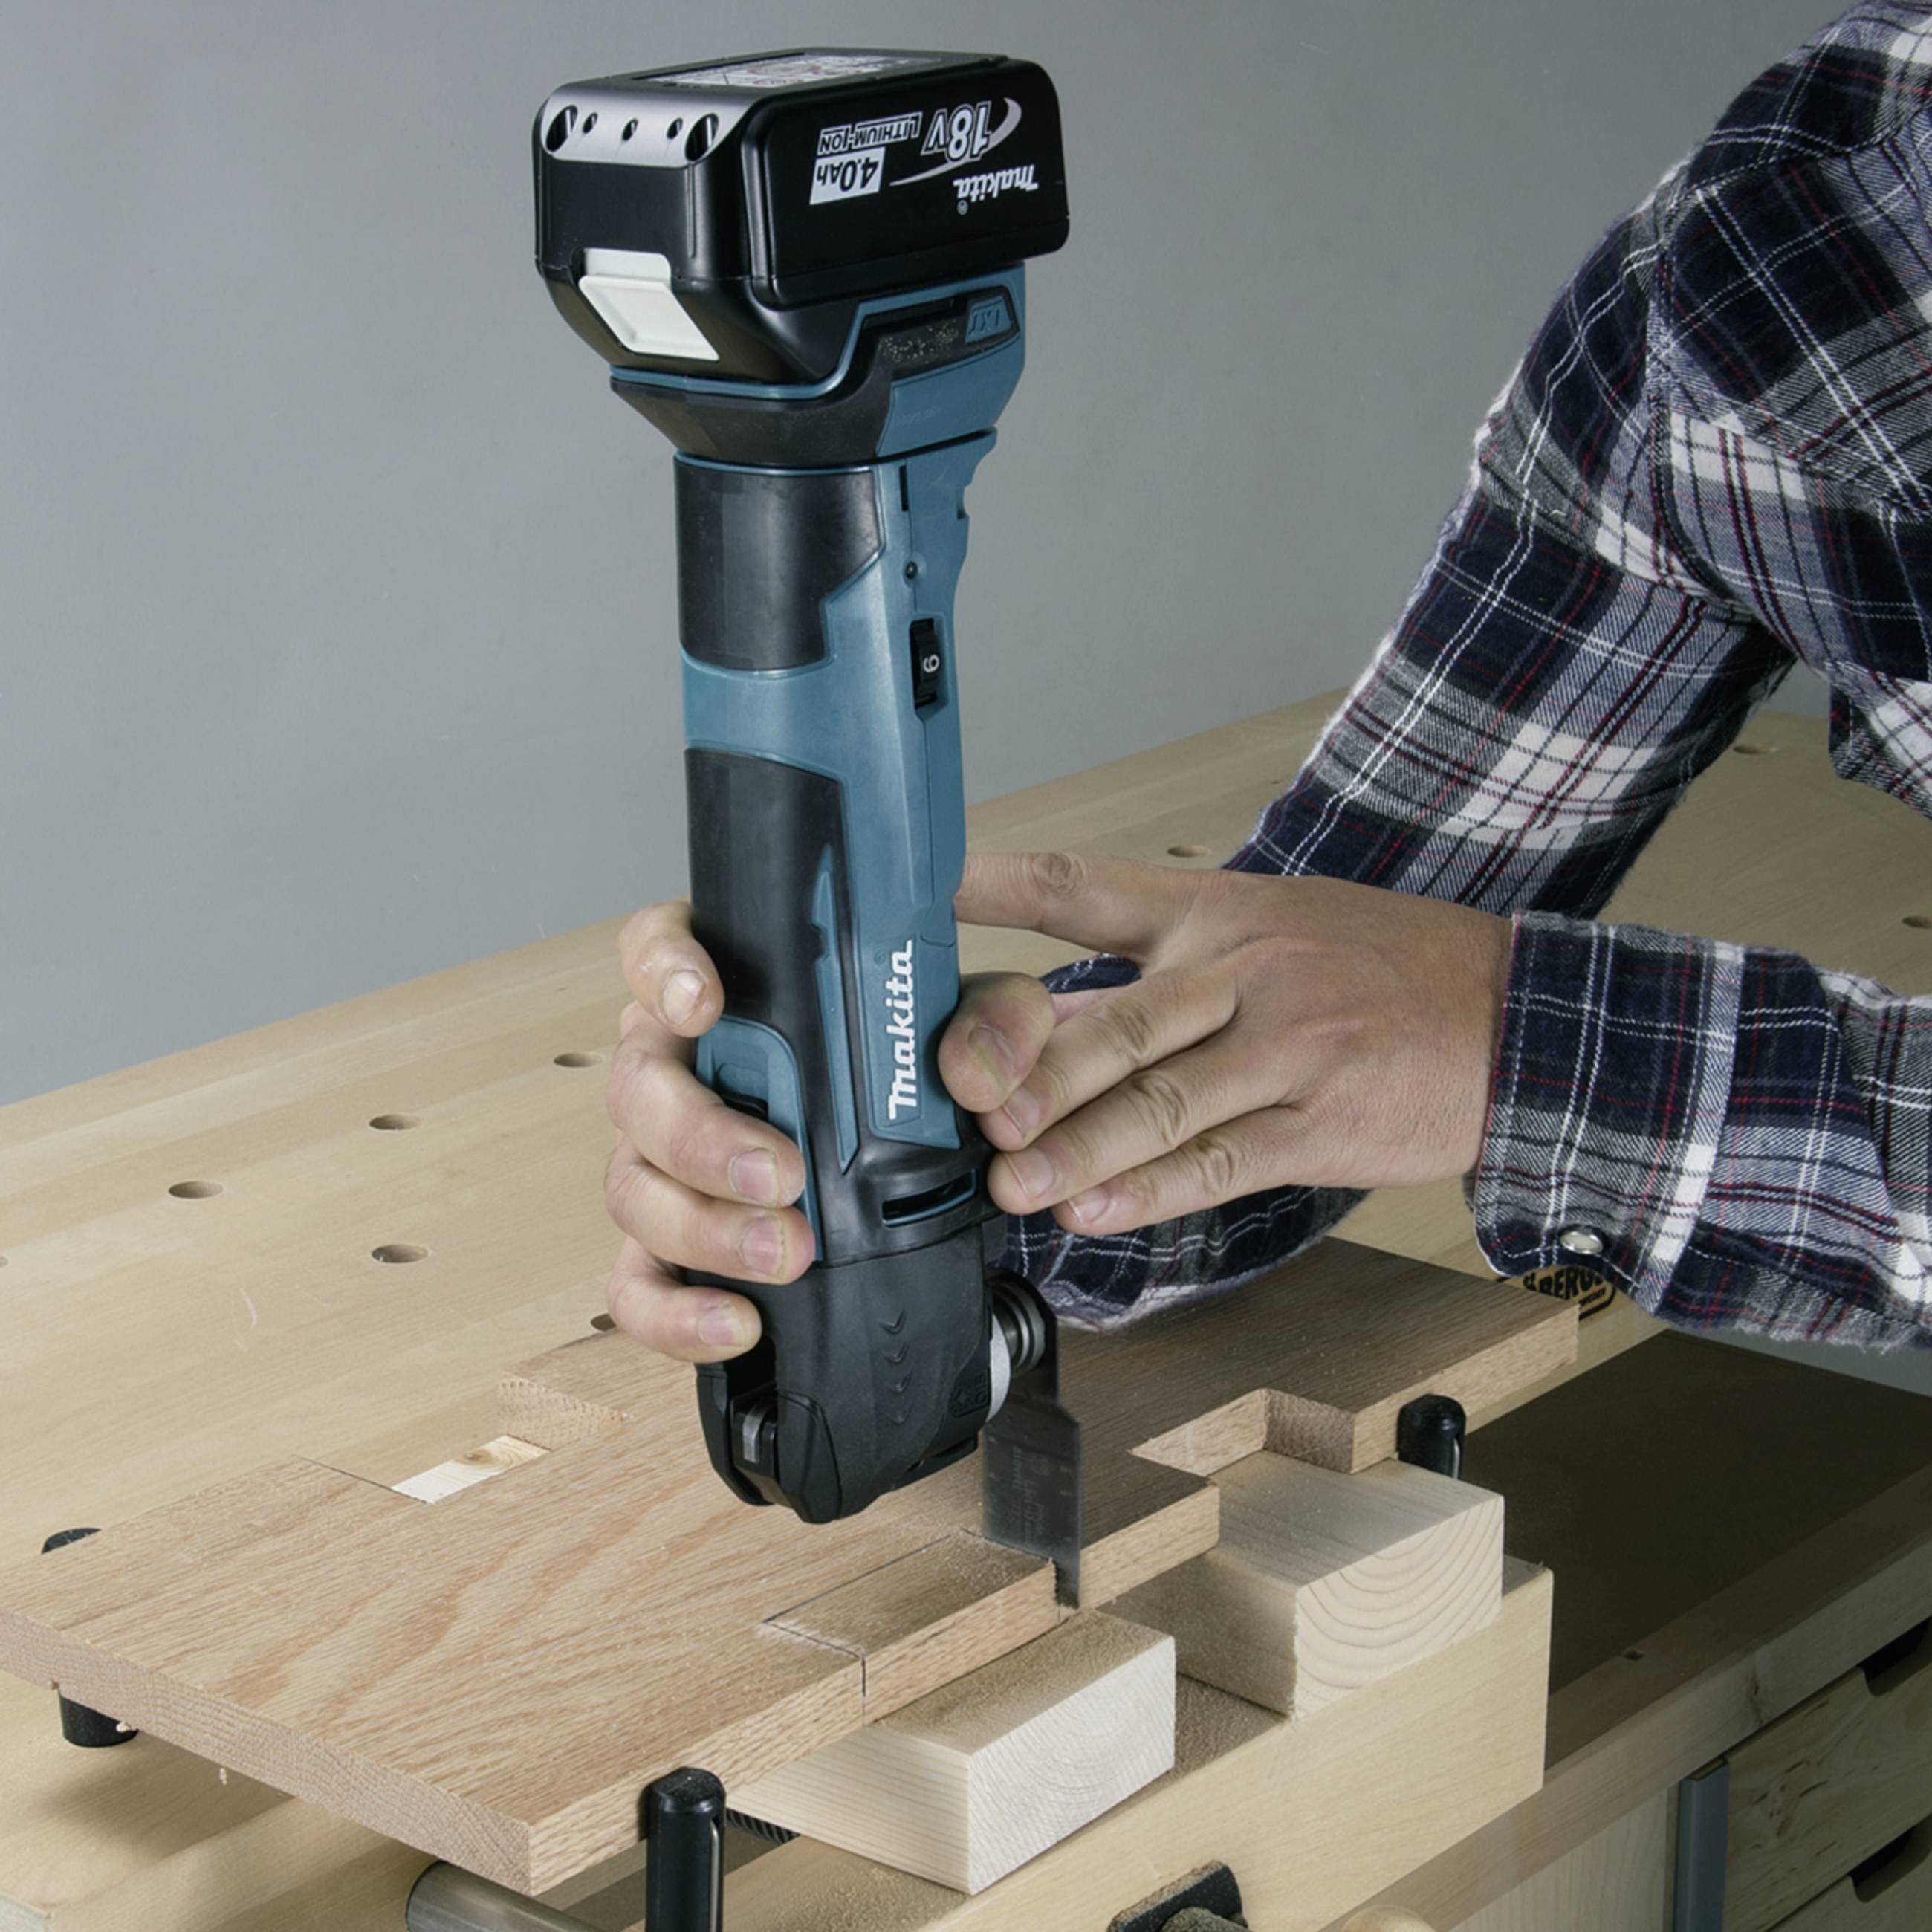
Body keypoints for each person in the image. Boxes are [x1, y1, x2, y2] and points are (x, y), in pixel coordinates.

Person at [603, 1, 1932, 1367]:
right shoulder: (1778, 267)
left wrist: (1520, 1051)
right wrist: (880, 1167)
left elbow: (1453, 1030)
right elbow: (1348, 975)